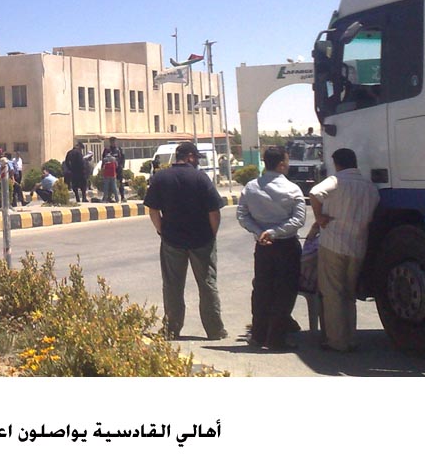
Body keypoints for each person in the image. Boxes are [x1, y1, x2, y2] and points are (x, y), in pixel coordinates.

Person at [143, 140, 228, 340]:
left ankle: (172, 329)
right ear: (189, 157)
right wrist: (212, 234)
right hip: (202, 240)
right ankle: (215, 330)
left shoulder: (161, 177)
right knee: (207, 284)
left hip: (172, 240)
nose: (197, 161)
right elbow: (214, 212)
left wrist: (162, 231)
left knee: (172, 285)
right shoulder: (200, 178)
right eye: (196, 158)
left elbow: (153, 210)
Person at [309, 148, 380, 352]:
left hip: (333, 243)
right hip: (357, 246)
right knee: (349, 294)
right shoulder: (370, 187)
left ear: (336, 163)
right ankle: (350, 338)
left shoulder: (336, 180)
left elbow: (314, 193)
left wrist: (319, 217)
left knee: (333, 293)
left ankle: (337, 341)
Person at [237, 145, 306, 349]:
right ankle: (276, 338)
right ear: (282, 164)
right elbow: (299, 219)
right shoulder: (292, 189)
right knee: (285, 292)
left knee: (262, 289)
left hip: (263, 247)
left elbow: (242, 215)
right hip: (287, 245)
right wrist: (274, 232)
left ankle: (258, 335)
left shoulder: (250, 187)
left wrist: (260, 232)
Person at [109, 137, 127, 202]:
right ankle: (110, 197)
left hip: (118, 168)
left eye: (114, 141)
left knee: (120, 182)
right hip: (110, 169)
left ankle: (122, 197)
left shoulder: (119, 149)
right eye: (112, 141)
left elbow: (123, 158)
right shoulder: (108, 150)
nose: (113, 143)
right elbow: (104, 159)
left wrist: (121, 166)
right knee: (110, 183)